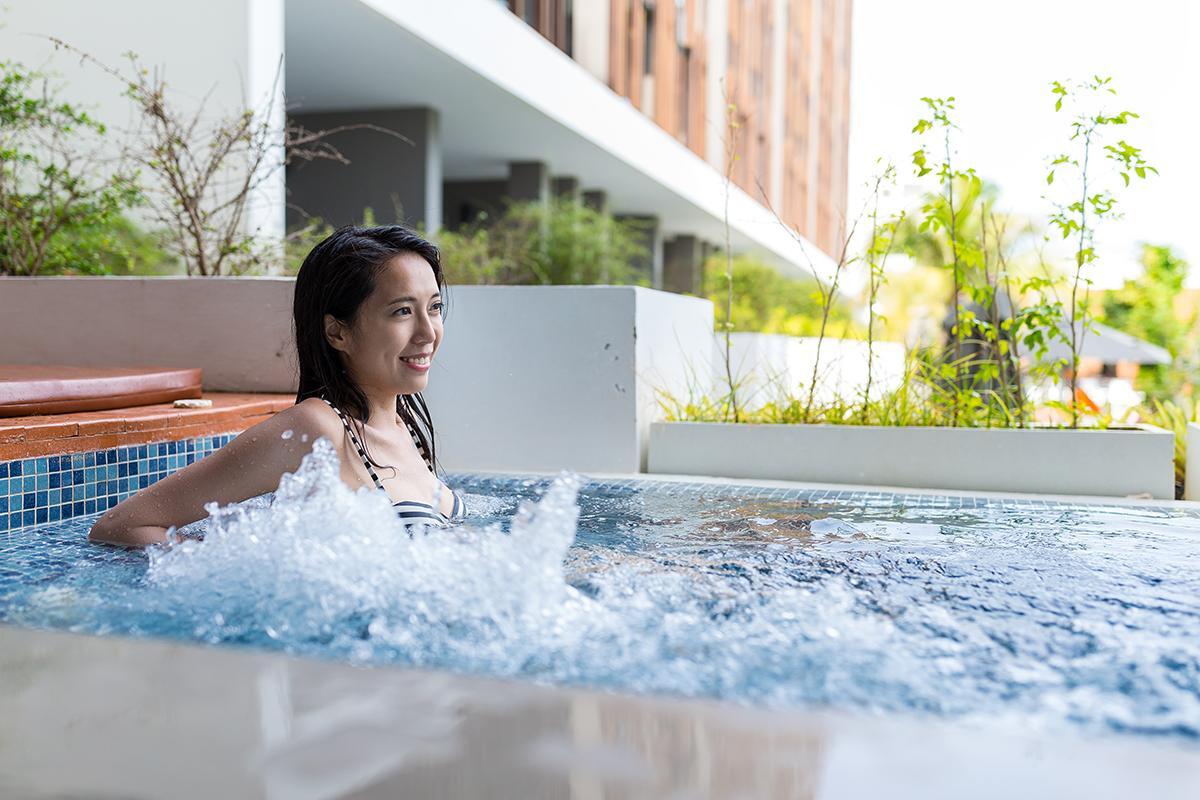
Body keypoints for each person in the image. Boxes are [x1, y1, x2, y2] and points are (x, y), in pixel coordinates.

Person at [89, 225, 465, 547]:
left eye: (433, 308)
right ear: (337, 332)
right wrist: (237, 571)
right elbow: (122, 525)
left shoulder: (404, 425)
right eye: (402, 311)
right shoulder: (316, 428)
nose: (428, 332)